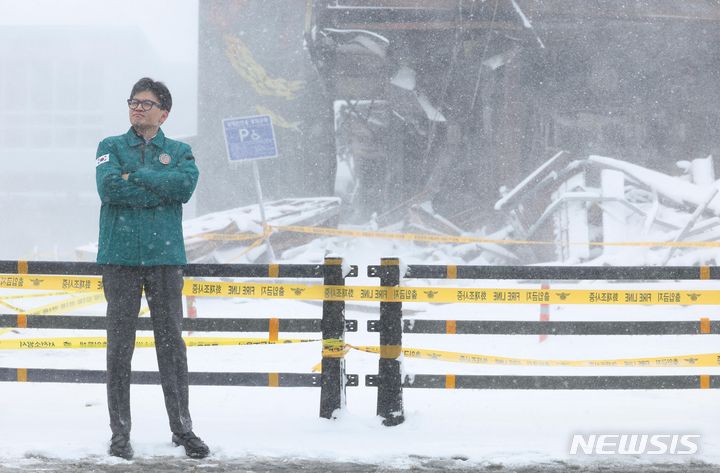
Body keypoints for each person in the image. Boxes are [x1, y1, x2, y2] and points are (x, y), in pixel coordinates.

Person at [95, 77, 208, 460]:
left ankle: (183, 429)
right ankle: (120, 434)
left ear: (164, 112)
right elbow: (109, 189)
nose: (138, 107)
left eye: (146, 103)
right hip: (120, 258)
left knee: (171, 347)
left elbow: (184, 189)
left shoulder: (179, 151)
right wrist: (159, 186)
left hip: (164, 259)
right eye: (133, 101)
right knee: (119, 348)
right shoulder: (109, 146)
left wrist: (138, 177)